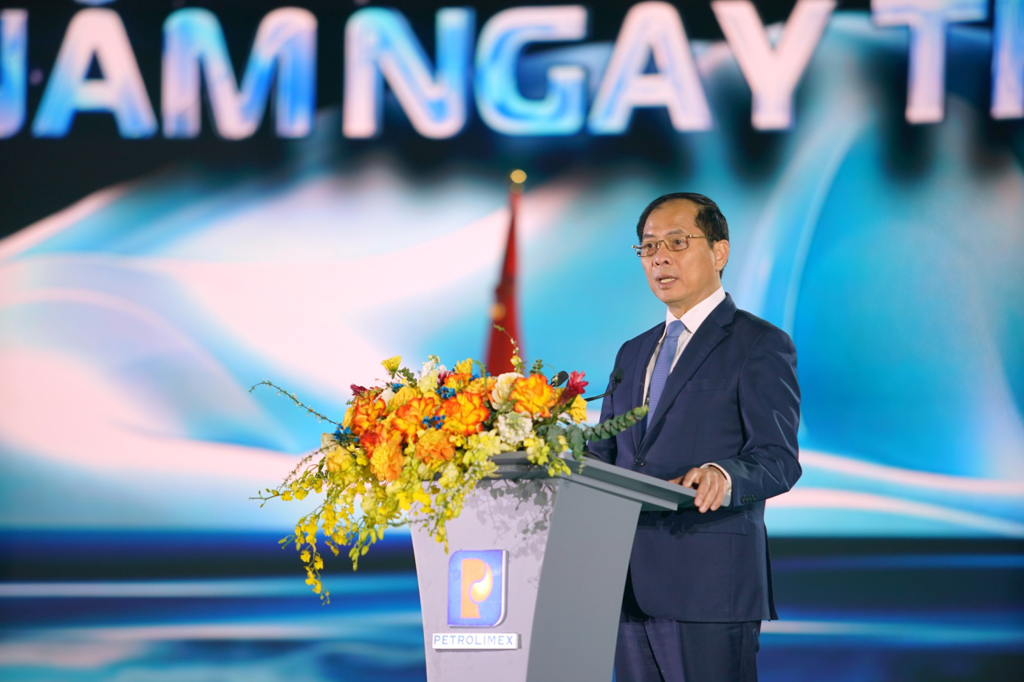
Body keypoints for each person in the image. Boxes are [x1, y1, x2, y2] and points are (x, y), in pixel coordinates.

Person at [588, 192, 802, 682]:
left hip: (709, 587)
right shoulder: (632, 351)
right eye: (648, 246)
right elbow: (605, 452)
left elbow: (778, 458)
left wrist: (723, 475)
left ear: (719, 252)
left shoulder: (759, 343)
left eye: (677, 242)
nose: (659, 257)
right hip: (624, 585)